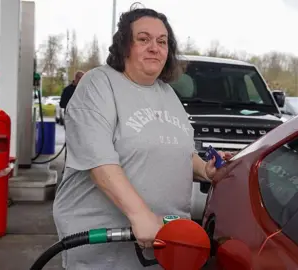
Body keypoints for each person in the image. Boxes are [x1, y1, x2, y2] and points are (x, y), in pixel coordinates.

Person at [53, 6, 233, 270]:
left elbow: (179, 150)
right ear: (124, 45)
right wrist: (140, 215)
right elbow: (99, 161)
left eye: (162, 41)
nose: (154, 47)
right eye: (143, 39)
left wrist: (204, 169)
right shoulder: (99, 84)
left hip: (165, 239)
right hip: (104, 243)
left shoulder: (168, 94)